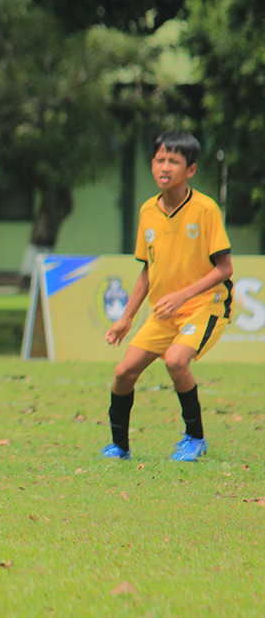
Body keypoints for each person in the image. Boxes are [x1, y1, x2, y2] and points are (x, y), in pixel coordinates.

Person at [102, 131, 233, 462]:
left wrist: (182, 295)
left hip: (206, 305)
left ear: (190, 170)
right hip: (164, 311)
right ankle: (119, 447)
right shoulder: (148, 211)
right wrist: (126, 318)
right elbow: (148, 271)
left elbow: (225, 268)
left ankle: (195, 438)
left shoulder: (205, 209)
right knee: (123, 373)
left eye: (173, 161)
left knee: (176, 360)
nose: (165, 167)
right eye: (160, 159)